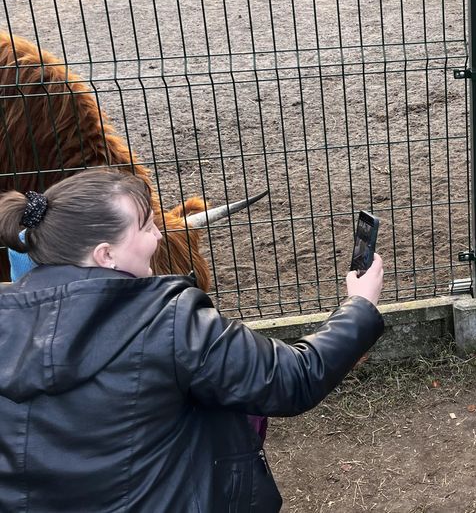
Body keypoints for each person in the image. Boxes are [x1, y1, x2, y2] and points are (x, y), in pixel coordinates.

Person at [0, 168, 385, 511]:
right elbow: (292, 376)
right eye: (147, 226)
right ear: (106, 255)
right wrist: (361, 305)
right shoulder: (167, 320)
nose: (157, 236)